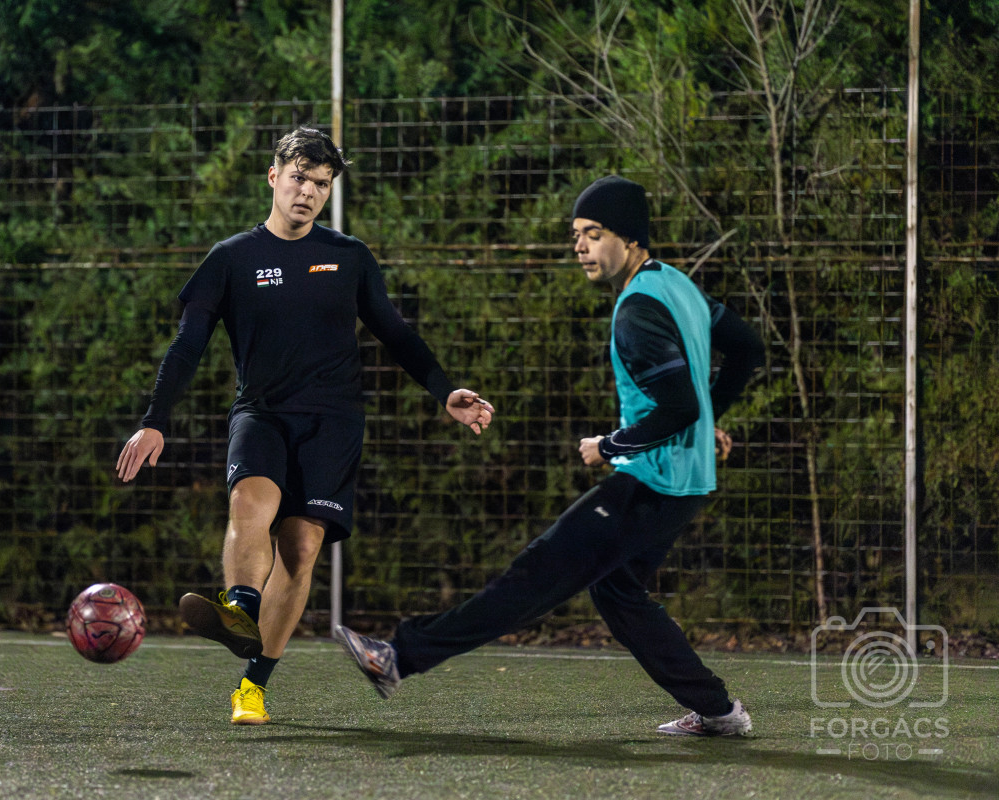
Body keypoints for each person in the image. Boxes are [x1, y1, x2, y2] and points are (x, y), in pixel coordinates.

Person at [335, 175, 766, 737]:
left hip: (651, 482)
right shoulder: (676, 284)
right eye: (576, 235)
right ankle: (718, 711)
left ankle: (398, 657)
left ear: (631, 238)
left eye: (594, 234)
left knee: (536, 573)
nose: (580, 247)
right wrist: (710, 421)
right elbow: (747, 349)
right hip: (686, 482)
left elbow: (681, 406)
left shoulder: (636, 312)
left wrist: (609, 445)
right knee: (619, 593)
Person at [116, 127, 494, 726]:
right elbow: (187, 346)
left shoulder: (350, 257)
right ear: (274, 177)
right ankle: (240, 609)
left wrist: (444, 390)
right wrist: (154, 422)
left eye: (321, 183)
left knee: (300, 549)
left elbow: (396, 333)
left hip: (333, 422)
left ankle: (253, 685)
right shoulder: (231, 258)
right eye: (299, 178)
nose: (309, 192)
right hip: (261, 413)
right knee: (249, 502)